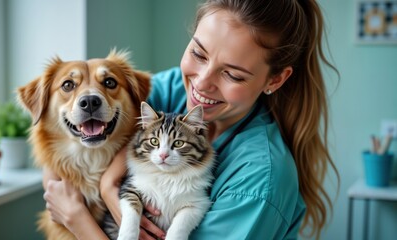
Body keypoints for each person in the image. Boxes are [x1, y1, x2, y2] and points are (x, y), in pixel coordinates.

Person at [43, 0, 339, 239]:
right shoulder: (171, 88)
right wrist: (109, 181)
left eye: (232, 74)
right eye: (198, 53)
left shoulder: (259, 182)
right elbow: (63, 136)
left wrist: (78, 220)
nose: (202, 83)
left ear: (274, 79)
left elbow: (68, 206)